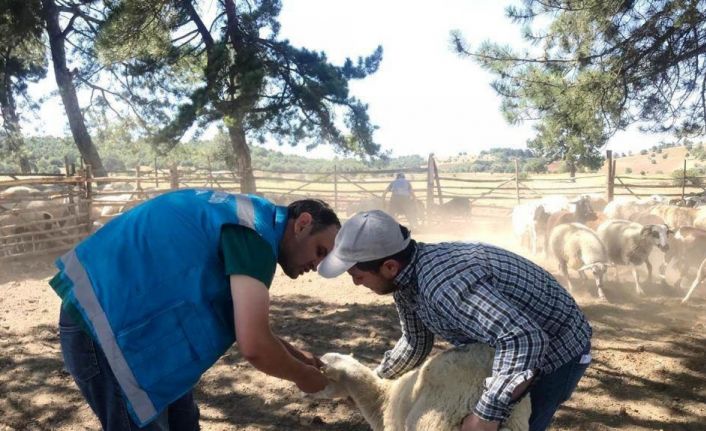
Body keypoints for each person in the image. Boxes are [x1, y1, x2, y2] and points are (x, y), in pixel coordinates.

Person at [50, 189, 339, 430]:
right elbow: (255, 346)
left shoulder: (251, 222)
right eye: (320, 251)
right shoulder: (256, 237)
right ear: (302, 223)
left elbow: (251, 329)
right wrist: (304, 376)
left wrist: (304, 360)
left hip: (133, 331)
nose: (317, 266)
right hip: (106, 330)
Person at [318, 210, 592, 431]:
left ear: (389, 266)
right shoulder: (405, 283)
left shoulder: (442, 285)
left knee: (514, 422)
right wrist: (374, 384)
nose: (355, 283)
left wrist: (485, 417)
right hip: (505, 343)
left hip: (555, 352)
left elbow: (523, 339)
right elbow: (415, 342)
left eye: (358, 275)